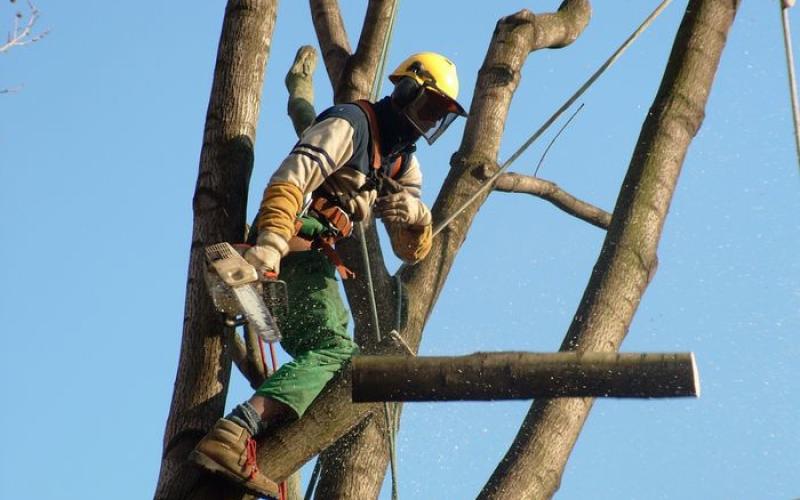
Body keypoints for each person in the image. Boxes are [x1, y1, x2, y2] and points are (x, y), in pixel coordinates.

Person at [189, 52, 467, 498]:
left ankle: (256, 443)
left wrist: (414, 217)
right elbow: (289, 181)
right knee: (336, 351)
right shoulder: (350, 124)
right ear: (406, 91)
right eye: (430, 107)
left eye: (440, 116)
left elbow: (410, 249)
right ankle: (235, 432)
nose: (430, 121)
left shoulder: (400, 161)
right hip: (293, 246)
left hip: (316, 258)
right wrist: (269, 249)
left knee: (332, 359)